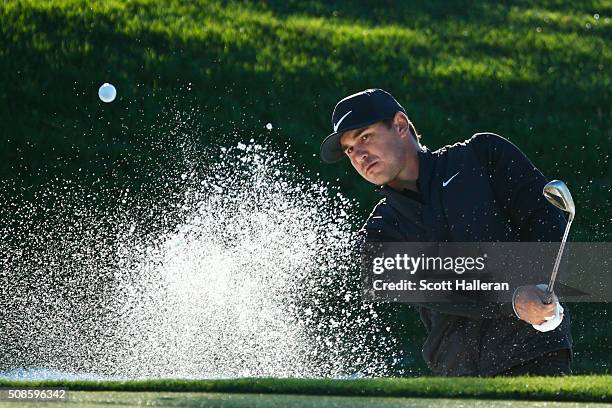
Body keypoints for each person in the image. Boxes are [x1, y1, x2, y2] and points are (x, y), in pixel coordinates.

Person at [320, 88, 572, 377]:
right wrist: (513, 298)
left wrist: (543, 285)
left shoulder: (483, 155)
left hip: (533, 355)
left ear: (401, 125)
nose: (359, 155)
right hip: (457, 377)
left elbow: (545, 221)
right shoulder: (380, 233)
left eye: (365, 137)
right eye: (350, 149)